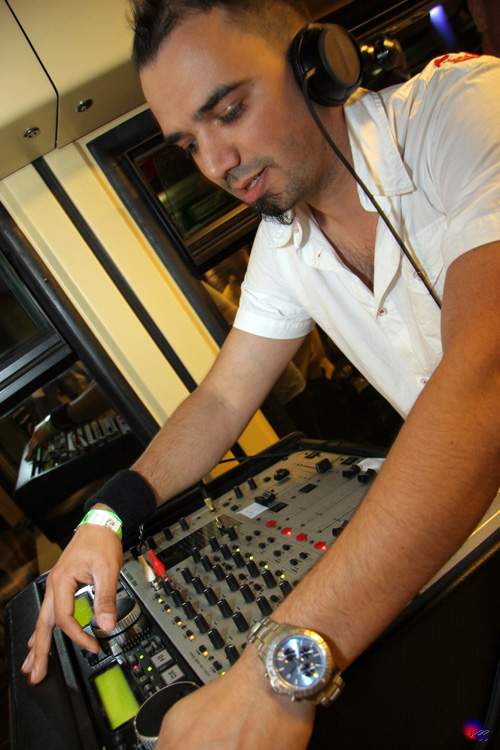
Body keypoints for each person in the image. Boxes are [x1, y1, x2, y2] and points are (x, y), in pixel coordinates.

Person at [22, 2, 500, 749]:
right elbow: (220, 398)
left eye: (229, 111)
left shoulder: (463, 110)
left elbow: (484, 375)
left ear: (317, 64)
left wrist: (273, 672)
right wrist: (106, 517)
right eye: (190, 144)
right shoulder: (286, 241)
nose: (216, 164)